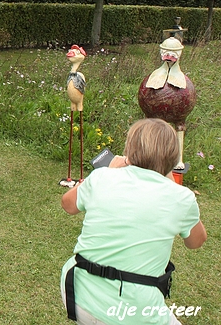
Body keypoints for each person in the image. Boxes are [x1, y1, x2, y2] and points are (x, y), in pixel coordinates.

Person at [60, 118, 207, 324]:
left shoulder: (102, 177)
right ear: (174, 158)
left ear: (129, 150)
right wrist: (171, 179)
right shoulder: (182, 198)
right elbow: (196, 241)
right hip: (133, 311)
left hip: (77, 293)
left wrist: (108, 171)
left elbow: (68, 204)